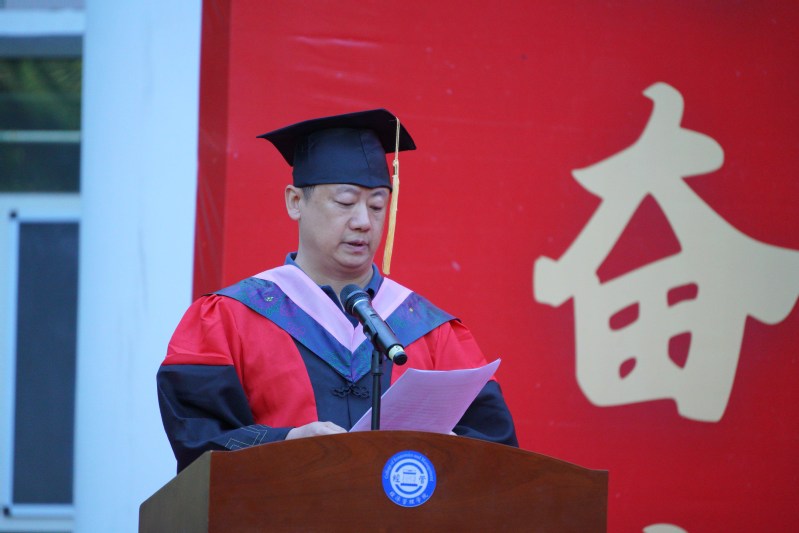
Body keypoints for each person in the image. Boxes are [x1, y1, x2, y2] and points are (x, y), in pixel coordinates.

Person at [157, 109, 518, 472]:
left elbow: (497, 454)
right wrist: (284, 443)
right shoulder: (229, 319)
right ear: (295, 202)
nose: (363, 222)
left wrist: (452, 451)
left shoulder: (431, 332)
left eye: (377, 206)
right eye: (345, 202)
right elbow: (197, 442)